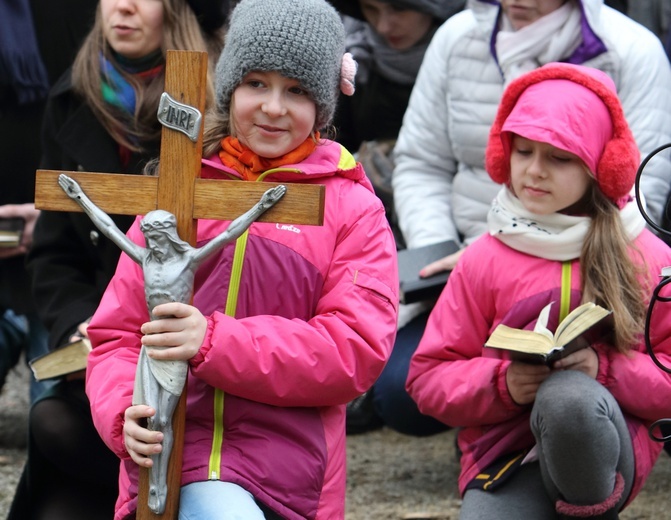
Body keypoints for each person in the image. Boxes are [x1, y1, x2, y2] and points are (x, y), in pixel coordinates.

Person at [85, 0, 398, 518]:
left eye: (296, 90)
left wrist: (213, 341)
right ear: (229, 87)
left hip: (288, 475)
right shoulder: (179, 191)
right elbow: (117, 333)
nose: (274, 107)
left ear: (323, 104)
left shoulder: (350, 208)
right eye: (256, 83)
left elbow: (354, 349)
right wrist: (123, 412)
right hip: (173, 459)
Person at [380, 0, 671, 439]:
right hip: (473, 255)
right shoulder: (456, 38)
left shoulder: (633, 49)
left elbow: (639, 180)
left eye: (557, 156)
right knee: (397, 392)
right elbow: (422, 162)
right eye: (522, 152)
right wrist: (445, 253)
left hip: (597, 253)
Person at [406, 62, 671, 519]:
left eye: (559, 157)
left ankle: (591, 508)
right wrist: (502, 383)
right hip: (506, 457)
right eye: (523, 151)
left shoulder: (645, 255)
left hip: (606, 450)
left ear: (601, 167)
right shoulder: (483, 257)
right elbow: (427, 378)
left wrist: (603, 369)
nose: (534, 171)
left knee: (568, 397)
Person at [8, 1, 228, 519]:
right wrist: (77, 323)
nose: (122, 7)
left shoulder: (218, 102)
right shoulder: (73, 97)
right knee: (52, 421)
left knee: (64, 437)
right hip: (106, 337)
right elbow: (55, 251)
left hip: (193, 335)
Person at [59, 173, 286, 514]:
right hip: (149, 349)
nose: (152, 240)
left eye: (157, 234)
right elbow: (108, 229)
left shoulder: (186, 259)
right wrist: (80, 198)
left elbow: (228, 233)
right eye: (149, 234)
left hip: (176, 351)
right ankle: (156, 487)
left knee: (164, 420)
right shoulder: (145, 258)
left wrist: (260, 206)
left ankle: (160, 487)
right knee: (149, 420)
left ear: (168, 234)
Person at [327, 0, 465, 435]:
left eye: (402, 9)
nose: (386, 26)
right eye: (371, 9)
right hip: (372, 218)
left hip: (455, 227)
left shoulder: (463, 54)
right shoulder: (353, 62)